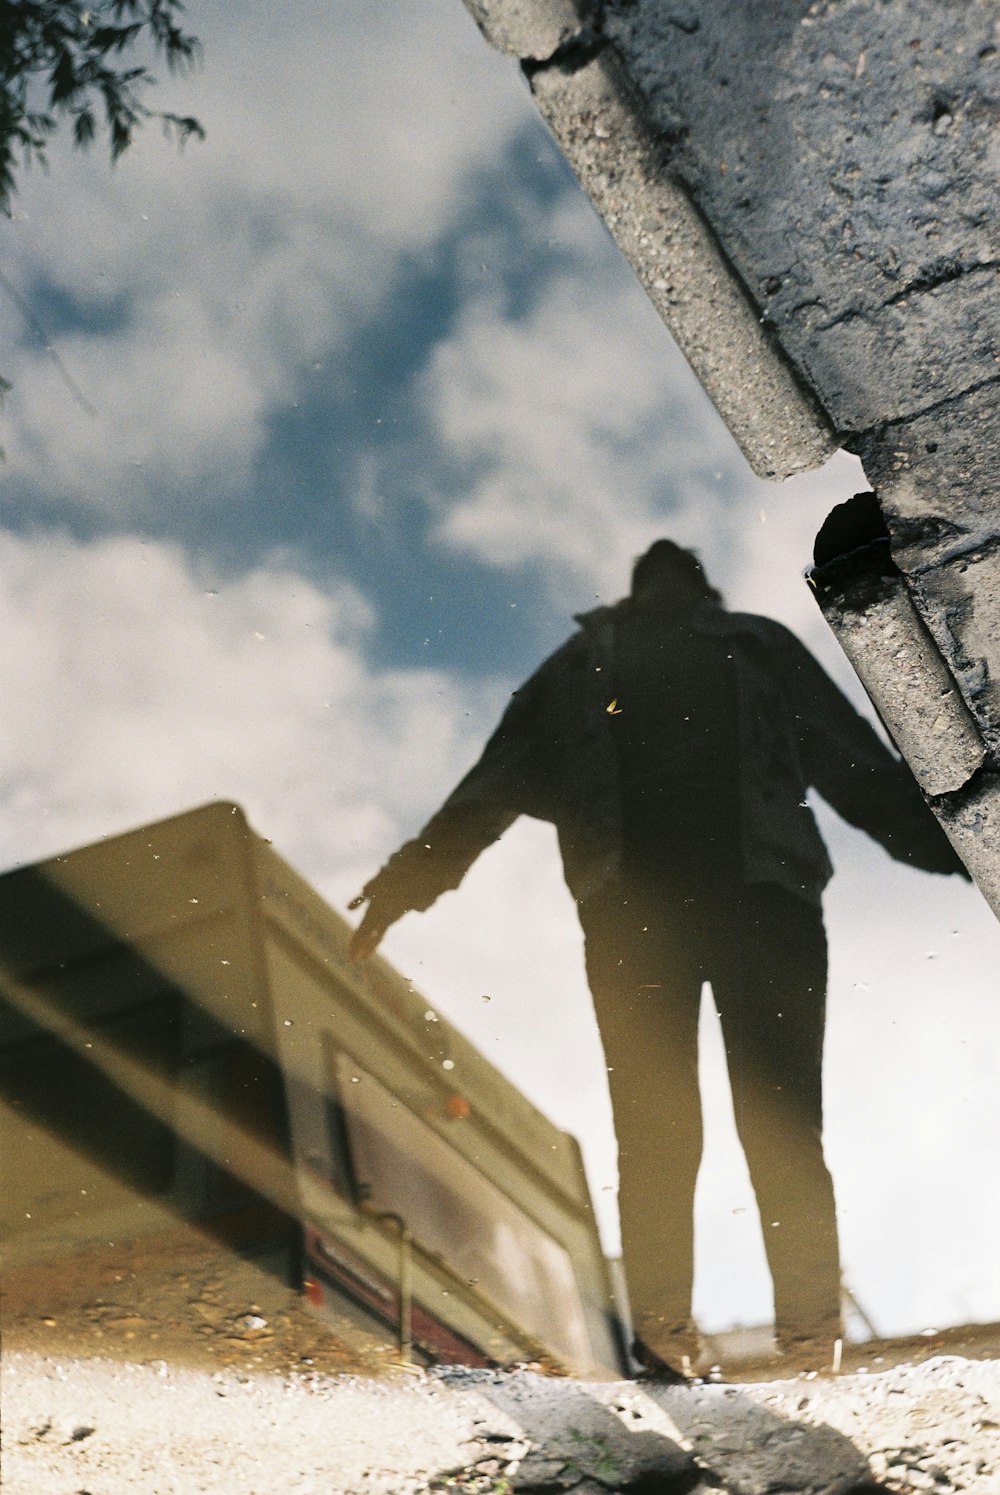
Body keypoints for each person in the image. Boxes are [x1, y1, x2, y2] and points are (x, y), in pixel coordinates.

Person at [348, 539, 966, 1374]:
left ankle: (805, 1326)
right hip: (640, 925)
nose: (667, 572)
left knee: (771, 1117)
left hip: (764, 906)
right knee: (662, 1131)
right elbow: (488, 788)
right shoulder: (578, 667)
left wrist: (971, 844)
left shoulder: (756, 646)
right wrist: (405, 882)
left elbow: (857, 766)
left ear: (696, 589)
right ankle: (669, 1332)